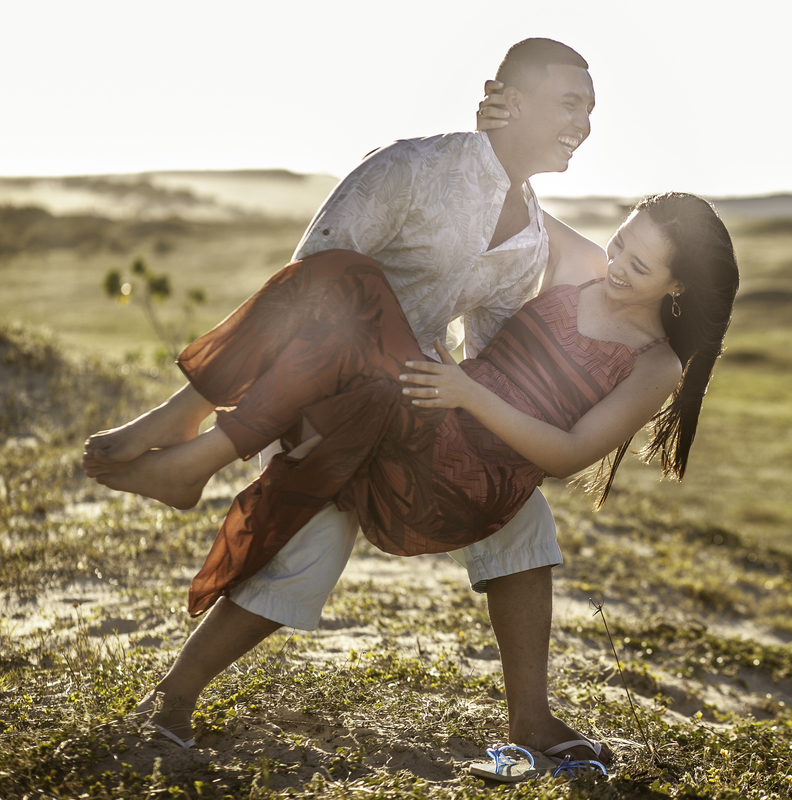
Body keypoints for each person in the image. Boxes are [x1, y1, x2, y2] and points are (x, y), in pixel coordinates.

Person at [84, 38, 607, 760]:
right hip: (317, 390)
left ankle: (530, 722)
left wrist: (494, 436)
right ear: (505, 97)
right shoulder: (410, 169)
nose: (583, 124)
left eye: (591, 110)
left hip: (409, 406)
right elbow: (308, 288)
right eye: (571, 103)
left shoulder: (530, 246)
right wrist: (290, 415)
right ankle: (172, 688)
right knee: (346, 294)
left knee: (515, 507)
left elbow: (487, 361)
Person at [86, 193, 739, 759]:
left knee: (350, 299)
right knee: (338, 286)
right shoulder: (580, 264)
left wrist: (468, 393)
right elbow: (512, 200)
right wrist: (485, 131)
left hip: (467, 477)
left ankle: (192, 451)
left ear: (676, 286)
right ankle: (173, 690)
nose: (618, 264)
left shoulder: (654, 366)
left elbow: (567, 454)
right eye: (622, 239)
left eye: (640, 265)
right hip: (432, 421)